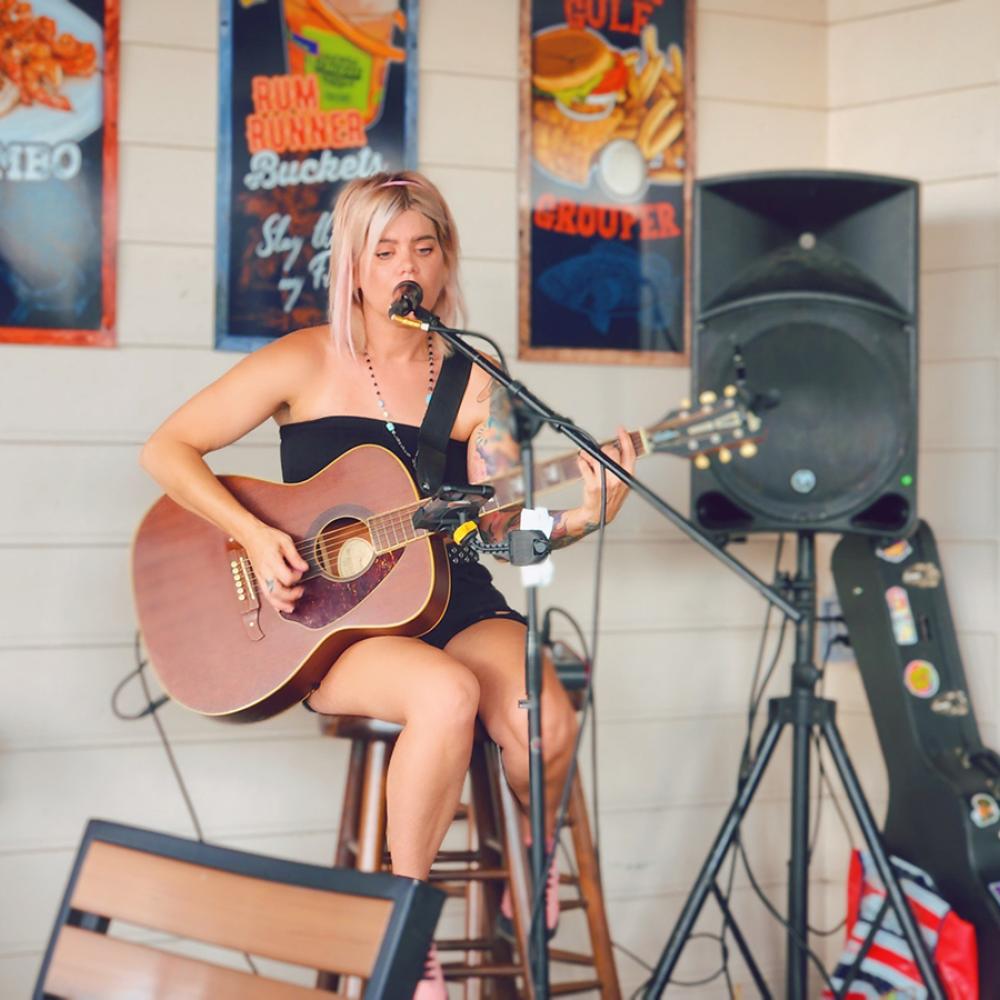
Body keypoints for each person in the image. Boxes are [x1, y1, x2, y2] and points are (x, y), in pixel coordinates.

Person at [140, 170, 635, 998]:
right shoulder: (304, 359)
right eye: (386, 249)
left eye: (424, 247)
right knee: (444, 696)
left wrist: (585, 518)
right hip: (336, 624)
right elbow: (167, 449)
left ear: (445, 264)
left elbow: (505, 532)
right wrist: (257, 536)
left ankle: (535, 857)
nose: (406, 265)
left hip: (455, 598)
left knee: (546, 718)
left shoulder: (479, 383)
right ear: (354, 265)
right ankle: (412, 927)